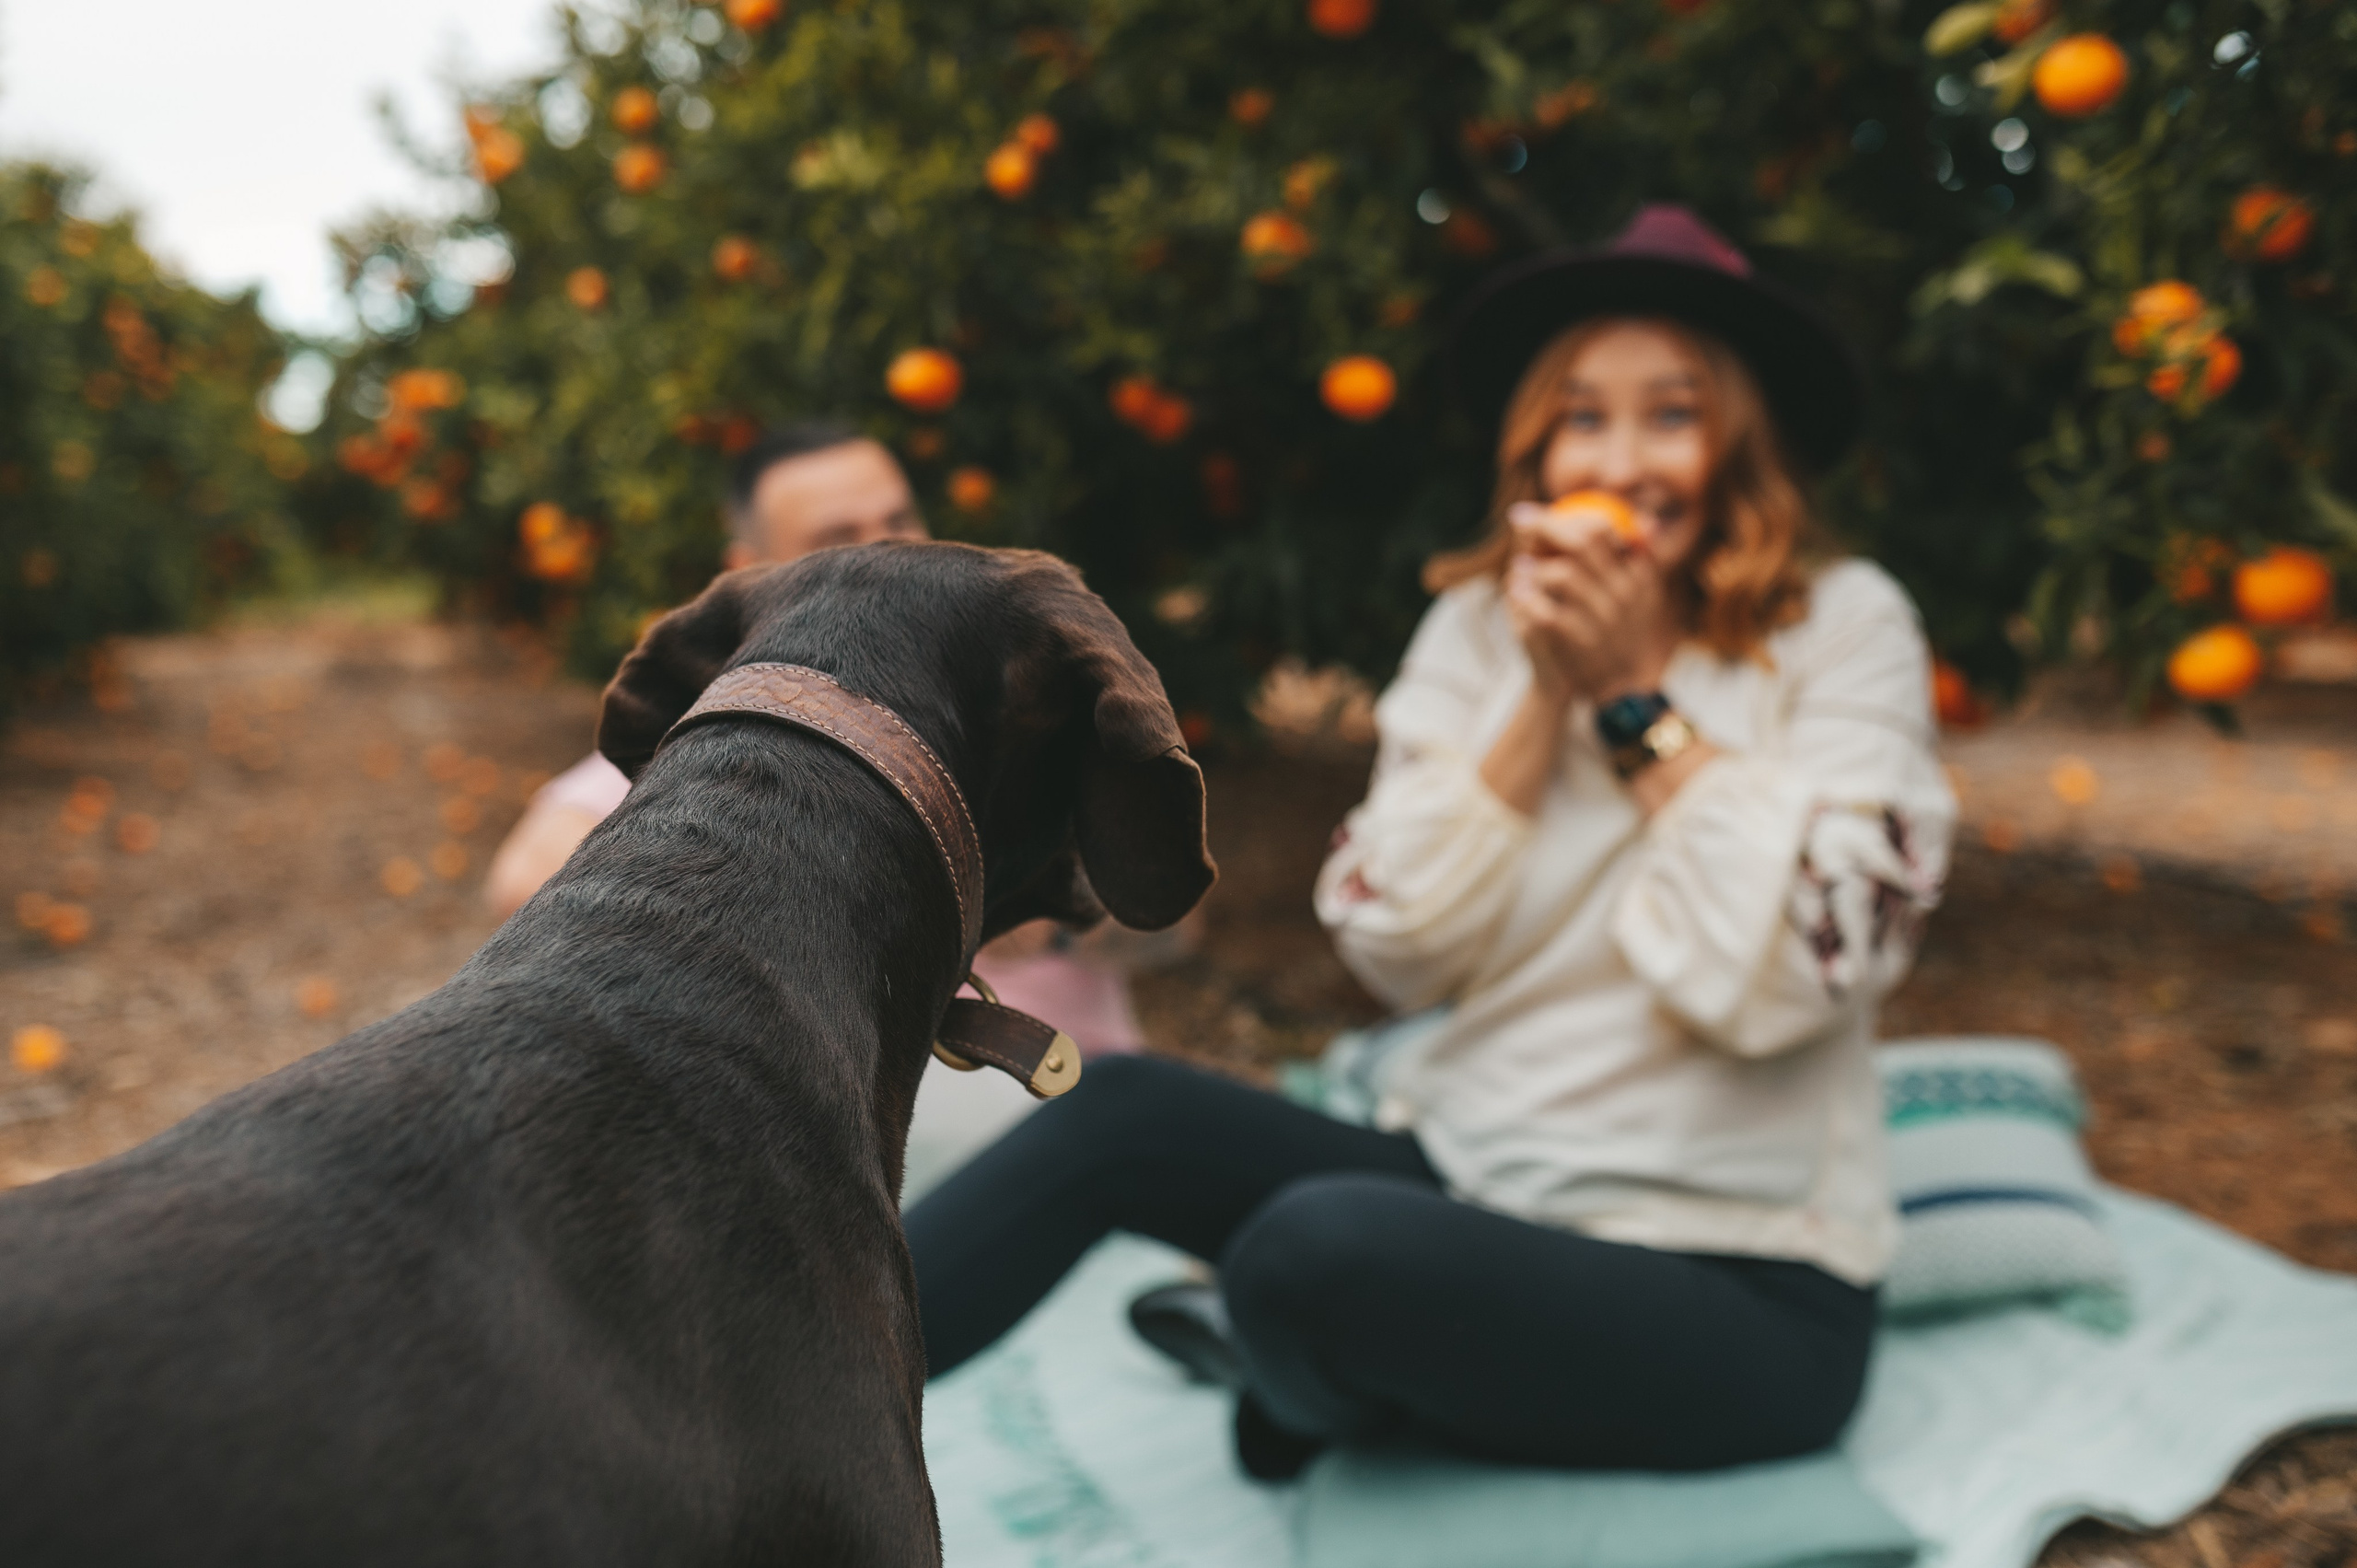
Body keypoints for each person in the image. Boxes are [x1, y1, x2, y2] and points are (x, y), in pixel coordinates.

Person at [903, 204, 1956, 1481]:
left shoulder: (1846, 625)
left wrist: (1634, 700)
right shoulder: (1474, 631)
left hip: (1734, 1271)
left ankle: (1312, 1376)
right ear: (1538, 450)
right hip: (1470, 1179)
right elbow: (1400, 946)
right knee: (1120, 1110)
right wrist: (1548, 691)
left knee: (1316, 1247)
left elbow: (1799, 972)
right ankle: (770, 1381)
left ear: (1744, 445)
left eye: (1672, 413)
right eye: (1584, 415)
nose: (1622, 462)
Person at [483, 421, 1162, 1063]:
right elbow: (523, 881)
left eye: (899, 521)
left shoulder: (1023, 698)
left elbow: (1170, 911)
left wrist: (1064, 911)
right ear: (754, 571)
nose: (893, 553)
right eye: (841, 538)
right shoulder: (740, 734)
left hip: (1084, 1080)